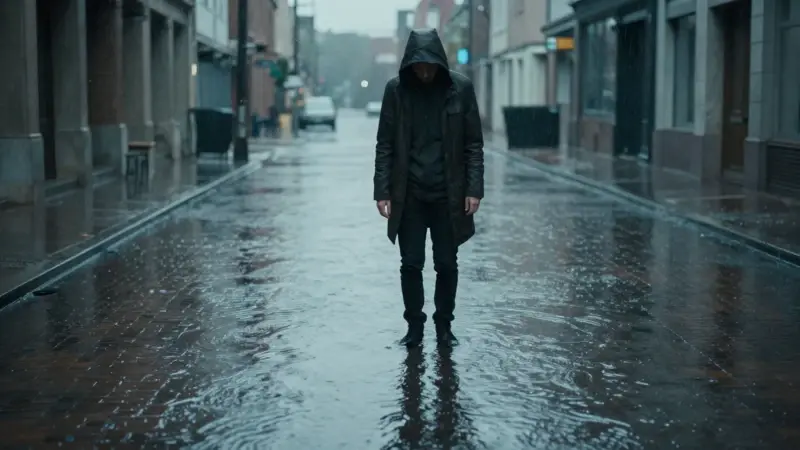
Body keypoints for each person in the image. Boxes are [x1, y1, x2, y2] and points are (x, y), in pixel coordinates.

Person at [373, 28, 484, 348]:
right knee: (411, 263)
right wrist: (382, 191)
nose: (423, 72)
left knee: (447, 263)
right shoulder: (396, 91)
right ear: (409, 64)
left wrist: (473, 189)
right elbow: (385, 145)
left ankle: (444, 326)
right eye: (417, 66)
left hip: (448, 194)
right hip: (409, 195)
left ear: (439, 62)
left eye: (428, 65)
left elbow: (473, 144)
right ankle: (415, 326)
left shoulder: (459, 89)